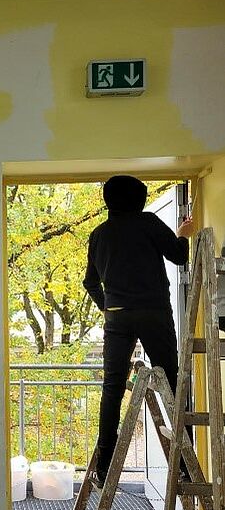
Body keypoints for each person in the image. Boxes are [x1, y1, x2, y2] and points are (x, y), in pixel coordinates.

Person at [83, 176, 194, 486]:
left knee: (112, 387)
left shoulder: (98, 234)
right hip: (153, 313)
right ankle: (184, 463)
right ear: (140, 199)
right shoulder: (147, 223)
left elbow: (90, 282)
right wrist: (183, 233)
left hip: (117, 318)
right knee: (171, 382)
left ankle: (104, 465)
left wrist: (109, 307)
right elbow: (178, 255)